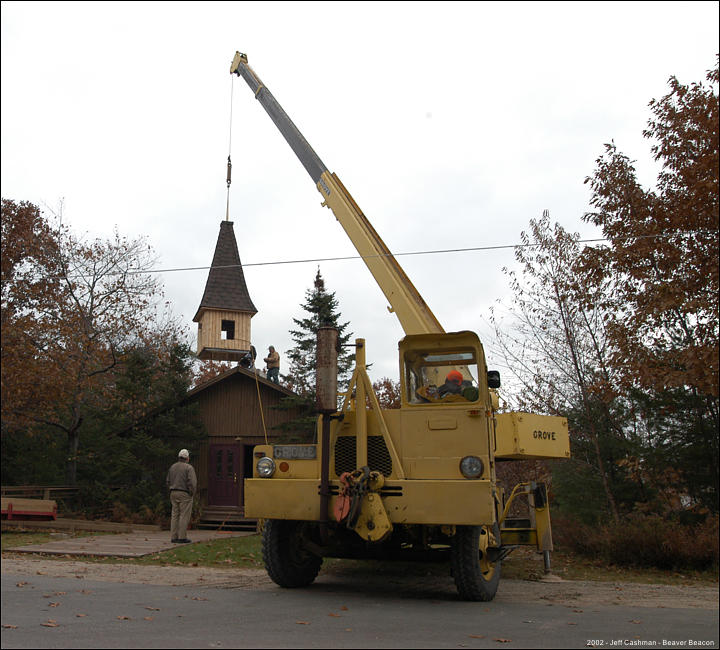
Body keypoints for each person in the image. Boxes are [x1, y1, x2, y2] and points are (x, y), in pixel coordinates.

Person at [166, 449, 197, 544]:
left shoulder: (172, 467)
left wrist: (171, 489)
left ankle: (173, 536)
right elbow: (192, 482)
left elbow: (167, 481)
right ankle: (182, 537)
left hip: (173, 492)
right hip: (184, 493)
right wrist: (192, 492)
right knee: (184, 515)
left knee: (175, 515)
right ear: (187, 458)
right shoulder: (189, 468)